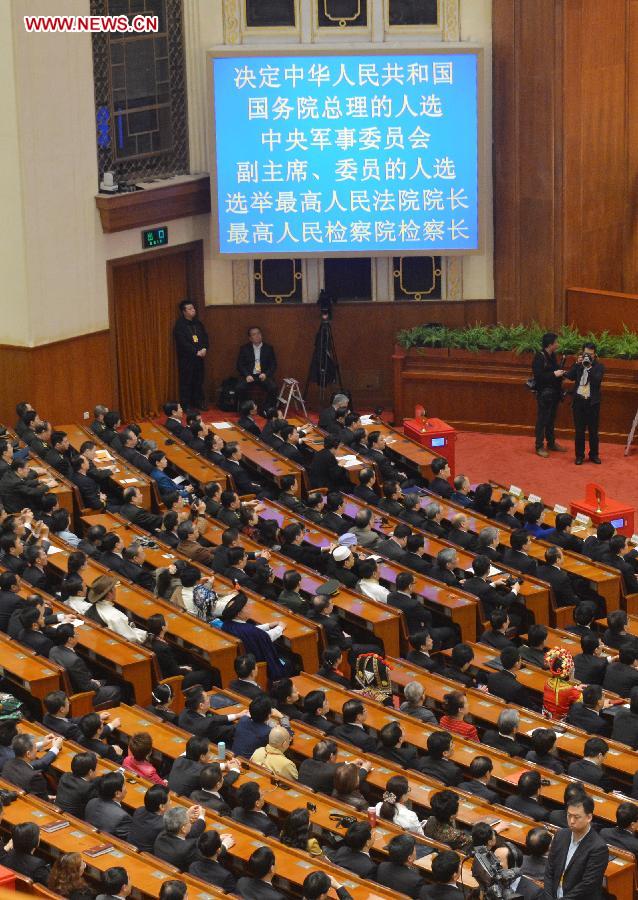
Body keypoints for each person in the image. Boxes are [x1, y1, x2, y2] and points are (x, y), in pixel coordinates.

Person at [543, 795, 609, 899]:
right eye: (569, 815)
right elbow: (549, 869)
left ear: (589, 817)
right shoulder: (560, 835)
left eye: (576, 817)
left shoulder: (598, 847)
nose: (572, 821)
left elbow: (588, 884)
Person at [564, 342, 604, 465]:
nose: (588, 357)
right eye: (586, 354)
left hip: (592, 403)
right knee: (579, 431)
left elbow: (597, 381)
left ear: (595, 355)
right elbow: (569, 376)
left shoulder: (599, 367)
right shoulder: (578, 365)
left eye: (591, 355)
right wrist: (576, 364)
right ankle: (579, 456)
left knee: (593, 431)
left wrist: (589, 367)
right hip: (579, 402)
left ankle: (594, 455)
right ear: (582, 353)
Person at [531, 331, 566, 458]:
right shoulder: (539, 357)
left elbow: (555, 370)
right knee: (542, 420)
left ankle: (551, 443)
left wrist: (561, 373)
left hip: (554, 393)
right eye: (556, 342)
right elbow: (539, 376)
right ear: (550, 344)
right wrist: (553, 375)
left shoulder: (553, 355)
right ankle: (539, 446)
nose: (558, 344)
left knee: (551, 419)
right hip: (544, 394)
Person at [173, 299, 209, 411]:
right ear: (184, 312)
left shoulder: (198, 323)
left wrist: (204, 348)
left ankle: (198, 402)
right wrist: (195, 351)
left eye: (193, 308)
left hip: (200, 358)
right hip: (187, 359)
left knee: (199, 380)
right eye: (190, 309)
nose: (193, 310)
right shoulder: (180, 325)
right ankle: (186, 405)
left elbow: (205, 337)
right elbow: (182, 342)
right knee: (186, 382)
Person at [236, 325, 278, 412]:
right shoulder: (244, 348)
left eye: (259, 333)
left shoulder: (268, 348)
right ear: (250, 338)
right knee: (239, 387)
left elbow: (273, 365)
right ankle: (247, 408)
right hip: (250, 375)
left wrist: (266, 374)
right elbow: (240, 364)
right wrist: (247, 375)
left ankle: (267, 409)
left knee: (273, 387)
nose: (257, 336)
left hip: (263, 375)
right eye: (254, 334)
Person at [84, 771, 132, 840]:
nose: (126, 788)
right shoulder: (122, 817)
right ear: (117, 793)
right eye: (124, 785)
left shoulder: (92, 802)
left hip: (90, 837)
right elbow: (125, 842)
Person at [543, 647, 581, 720]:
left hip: (545, 716)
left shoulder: (548, 682)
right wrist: (575, 688)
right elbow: (582, 701)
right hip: (561, 721)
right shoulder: (571, 690)